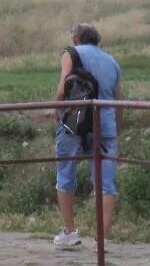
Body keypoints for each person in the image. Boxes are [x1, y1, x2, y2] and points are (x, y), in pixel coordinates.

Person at [53, 23, 123, 248]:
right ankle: (101, 238)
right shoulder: (112, 62)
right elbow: (118, 99)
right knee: (105, 183)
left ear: (76, 38)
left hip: (75, 123)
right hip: (106, 126)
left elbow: (64, 88)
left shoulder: (70, 54)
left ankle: (70, 231)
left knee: (66, 175)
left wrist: (57, 111)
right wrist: (116, 128)